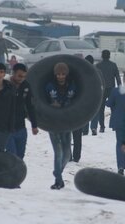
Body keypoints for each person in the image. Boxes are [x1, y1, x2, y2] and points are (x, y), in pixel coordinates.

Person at [46, 62, 76, 190]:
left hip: (66, 121)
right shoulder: (49, 86)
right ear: (55, 74)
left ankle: (58, 172)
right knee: (58, 152)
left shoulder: (72, 85)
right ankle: (58, 180)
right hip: (53, 122)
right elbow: (43, 99)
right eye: (58, 74)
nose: (61, 76)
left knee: (67, 153)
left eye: (63, 74)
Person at [6, 63, 38, 160]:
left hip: (21, 126)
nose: (22, 78)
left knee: (20, 156)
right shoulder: (5, 85)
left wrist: (34, 125)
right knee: (12, 155)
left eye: (24, 76)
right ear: (13, 73)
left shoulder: (26, 86)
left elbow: (30, 106)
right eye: (19, 76)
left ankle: (16, 175)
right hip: (7, 128)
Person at [106, 72, 125, 175]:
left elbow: (109, 103)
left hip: (119, 121)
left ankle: (121, 166)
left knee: (120, 143)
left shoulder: (116, 91)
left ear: (123, 80)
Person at [95, 49, 121, 134]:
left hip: (101, 89)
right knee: (114, 108)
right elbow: (117, 77)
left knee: (101, 109)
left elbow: (95, 77)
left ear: (102, 56)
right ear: (109, 56)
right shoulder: (113, 65)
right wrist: (120, 87)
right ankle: (114, 125)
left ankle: (102, 127)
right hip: (111, 89)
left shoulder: (98, 65)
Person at [82, 55, 104, 136]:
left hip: (85, 95)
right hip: (96, 94)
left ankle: (84, 129)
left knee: (85, 113)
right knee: (95, 111)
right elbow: (102, 83)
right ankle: (94, 127)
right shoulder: (98, 71)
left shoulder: (82, 71)